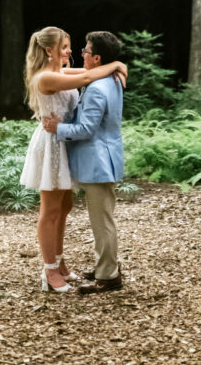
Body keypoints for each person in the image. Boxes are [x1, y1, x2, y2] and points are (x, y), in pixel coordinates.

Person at [20, 26, 128, 294]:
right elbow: (88, 76)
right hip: (52, 142)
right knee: (50, 210)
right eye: (65, 47)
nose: (71, 52)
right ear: (49, 50)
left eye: (74, 47)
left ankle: (60, 263)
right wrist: (116, 64)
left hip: (65, 141)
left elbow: (90, 73)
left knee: (64, 207)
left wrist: (115, 65)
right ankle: (49, 270)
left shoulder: (61, 72)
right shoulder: (46, 76)